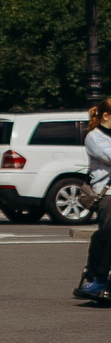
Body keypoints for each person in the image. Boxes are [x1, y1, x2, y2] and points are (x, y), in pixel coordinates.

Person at [76, 100, 111, 304]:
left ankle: (99, 281)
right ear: (106, 116)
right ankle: (99, 281)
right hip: (107, 194)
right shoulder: (94, 137)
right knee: (104, 238)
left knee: (106, 239)